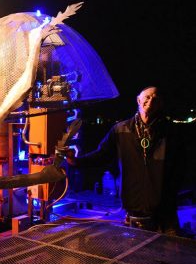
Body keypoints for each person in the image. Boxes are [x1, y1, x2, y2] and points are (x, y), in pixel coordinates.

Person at [66, 86, 185, 234]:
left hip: (165, 214)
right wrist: (76, 161)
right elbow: (102, 155)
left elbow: (180, 168)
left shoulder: (171, 132)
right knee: (136, 254)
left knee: (168, 255)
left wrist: (172, 193)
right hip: (133, 210)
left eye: (156, 98)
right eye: (147, 97)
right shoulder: (120, 130)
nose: (150, 100)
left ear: (161, 104)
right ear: (138, 100)